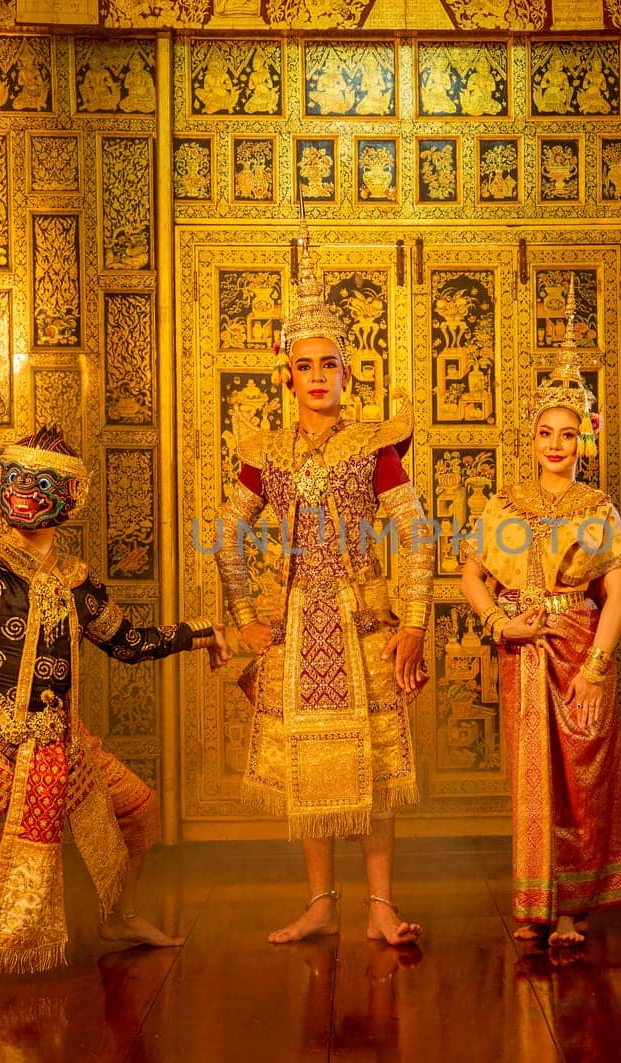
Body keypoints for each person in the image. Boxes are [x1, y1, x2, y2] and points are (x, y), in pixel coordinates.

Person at [0, 425, 229, 1012]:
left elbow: (129, 641)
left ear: (70, 500)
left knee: (140, 812)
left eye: (42, 484)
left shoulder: (76, 581)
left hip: (55, 743)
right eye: (15, 480)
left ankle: (121, 918)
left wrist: (204, 634)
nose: (25, 493)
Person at [216, 226, 434, 946]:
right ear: (287, 374)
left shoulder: (372, 444)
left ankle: (379, 905)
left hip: (363, 623)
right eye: (303, 365)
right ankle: (321, 901)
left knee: (368, 766)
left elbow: (415, 530)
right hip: (294, 625)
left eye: (328, 365)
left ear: (347, 373)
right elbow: (227, 535)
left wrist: (414, 622)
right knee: (313, 767)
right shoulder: (267, 451)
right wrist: (245, 615)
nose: (316, 376)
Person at [460, 353, 621, 947]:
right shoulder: (504, 505)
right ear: (531, 440)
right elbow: (471, 577)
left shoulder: (597, 507)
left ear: (583, 439)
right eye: (545, 433)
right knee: (533, 776)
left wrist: (596, 669)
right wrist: (496, 625)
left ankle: (574, 908)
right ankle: (535, 902)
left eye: (568, 434)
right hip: (524, 654)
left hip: (582, 651)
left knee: (583, 780)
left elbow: (619, 593)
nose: (555, 444)